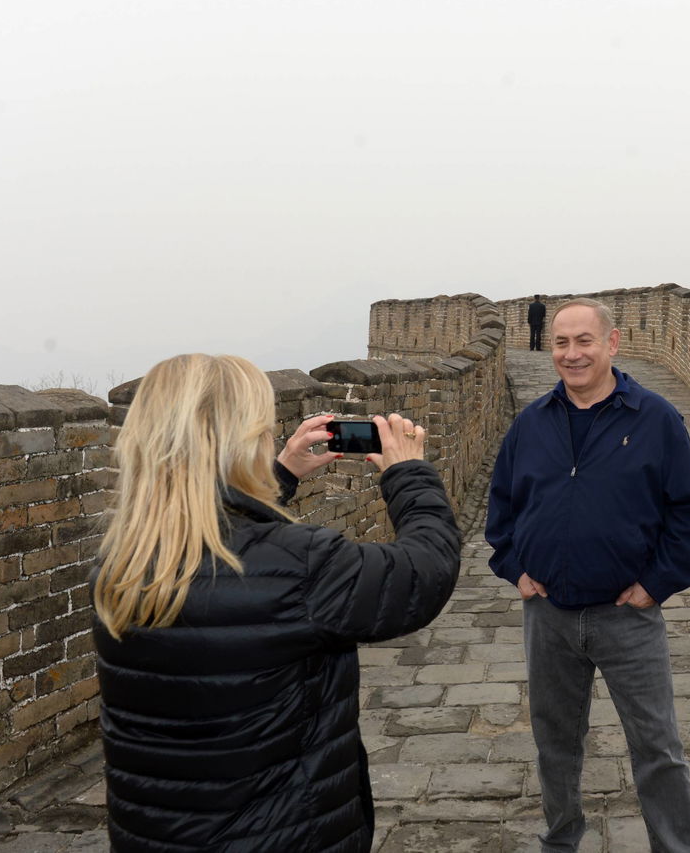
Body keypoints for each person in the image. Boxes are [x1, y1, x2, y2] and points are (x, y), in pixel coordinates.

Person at [91, 353, 461, 853]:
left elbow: (226, 544)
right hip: (282, 834)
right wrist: (409, 473)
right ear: (246, 439)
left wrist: (279, 475)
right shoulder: (303, 566)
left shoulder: (121, 563)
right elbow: (423, 573)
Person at [485, 298, 690, 852]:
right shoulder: (531, 423)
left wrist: (656, 584)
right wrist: (514, 569)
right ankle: (560, 840)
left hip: (625, 616)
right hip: (549, 616)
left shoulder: (655, 419)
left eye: (584, 341)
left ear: (611, 343)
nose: (572, 354)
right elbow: (501, 507)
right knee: (555, 744)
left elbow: (689, 516)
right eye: (561, 343)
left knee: (657, 747)